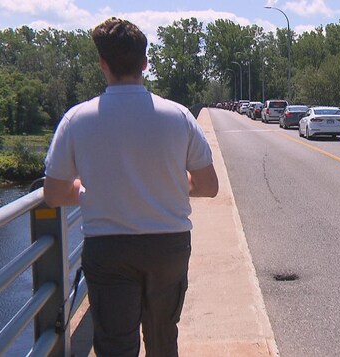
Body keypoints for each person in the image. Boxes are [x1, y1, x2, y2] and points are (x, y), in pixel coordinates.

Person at [43, 17, 219, 357]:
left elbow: (53, 193)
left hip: (108, 250)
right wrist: (169, 182)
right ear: (145, 63)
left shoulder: (76, 119)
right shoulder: (179, 116)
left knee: (114, 346)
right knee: (163, 339)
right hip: (168, 246)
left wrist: (84, 191)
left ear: (102, 63)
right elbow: (208, 186)